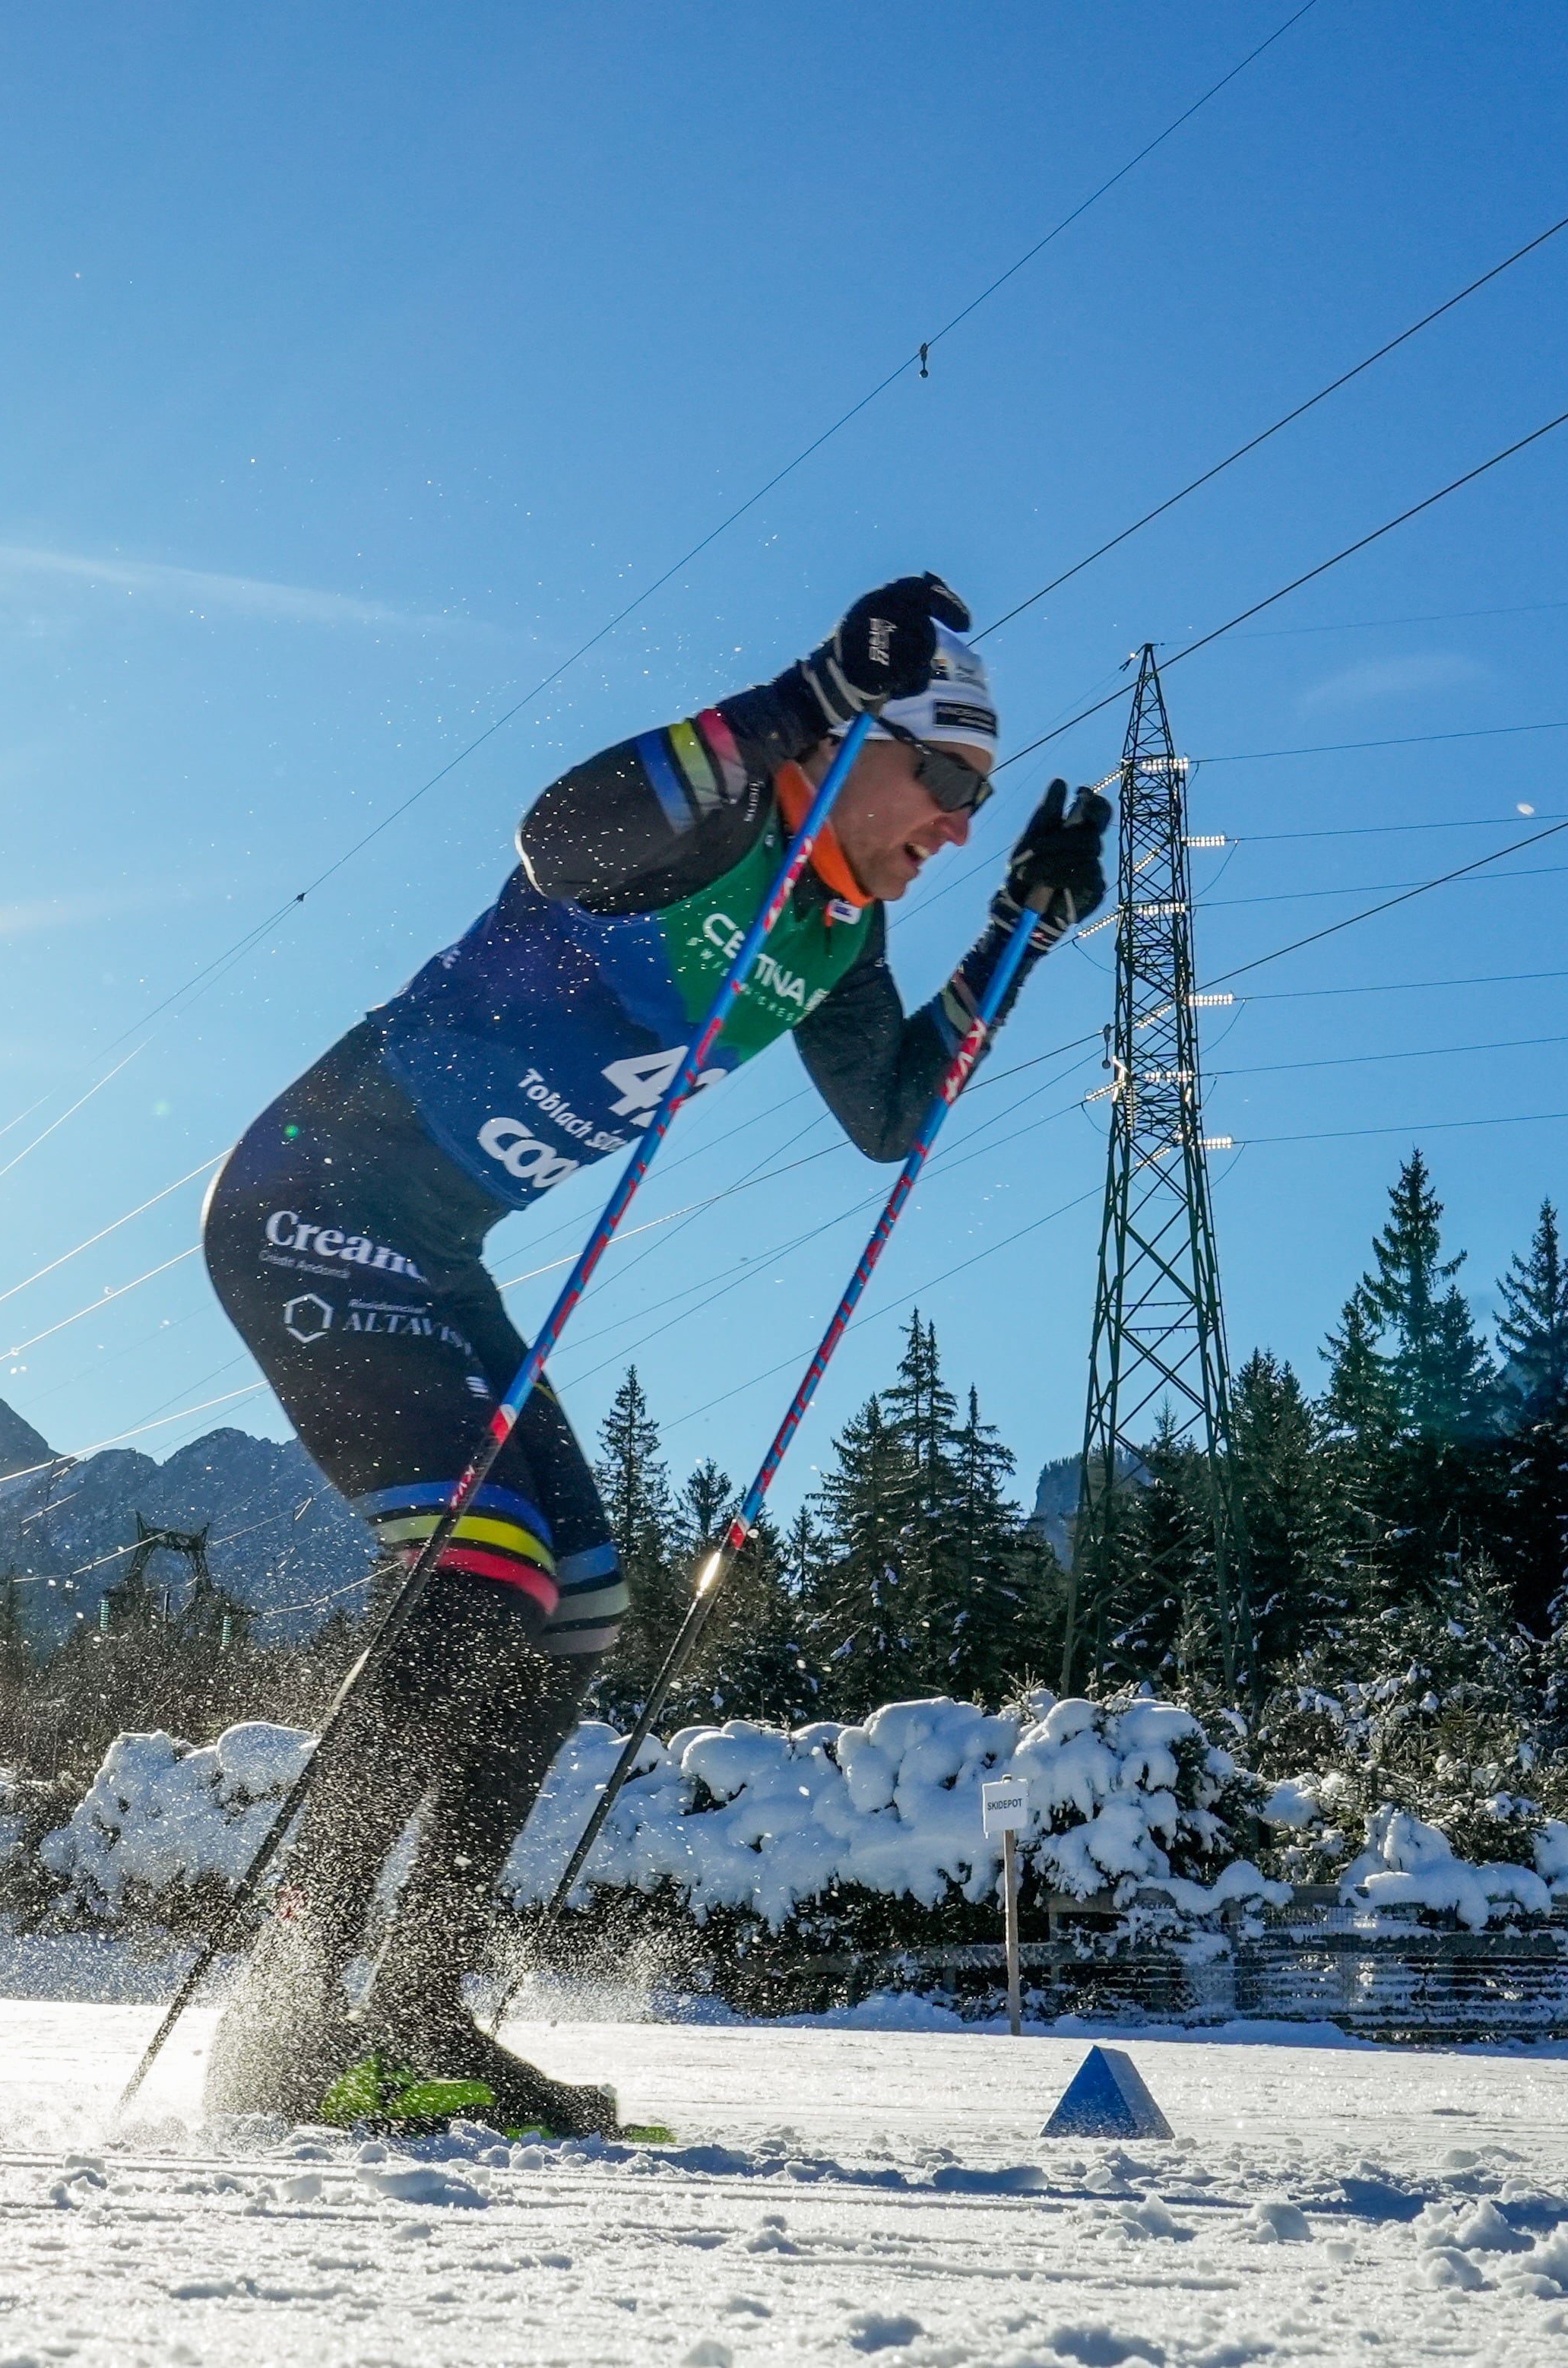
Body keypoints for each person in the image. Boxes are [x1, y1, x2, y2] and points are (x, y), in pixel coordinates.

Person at [195, 575, 1107, 2133]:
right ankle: (285, 2016)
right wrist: (806, 687)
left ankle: (415, 2010)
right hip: (310, 1204)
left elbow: (889, 1112)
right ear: (852, 744)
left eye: (982, 798)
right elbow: (556, 838)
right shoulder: (723, 820)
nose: (957, 819)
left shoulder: (832, 930)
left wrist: (1019, 927)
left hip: (433, 1258)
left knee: (578, 1605)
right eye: (943, 777)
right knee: (481, 1575)